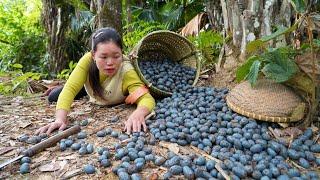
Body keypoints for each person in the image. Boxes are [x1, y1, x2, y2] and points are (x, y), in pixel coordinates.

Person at [36, 27, 155, 135]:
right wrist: (60, 120)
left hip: (111, 90)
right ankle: (67, 87)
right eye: (103, 57)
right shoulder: (87, 60)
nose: (110, 63)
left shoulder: (127, 70)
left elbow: (146, 98)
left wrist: (139, 113)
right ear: (93, 55)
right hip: (91, 86)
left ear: (122, 53)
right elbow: (70, 89)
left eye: (116, 56)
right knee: (53, 96)